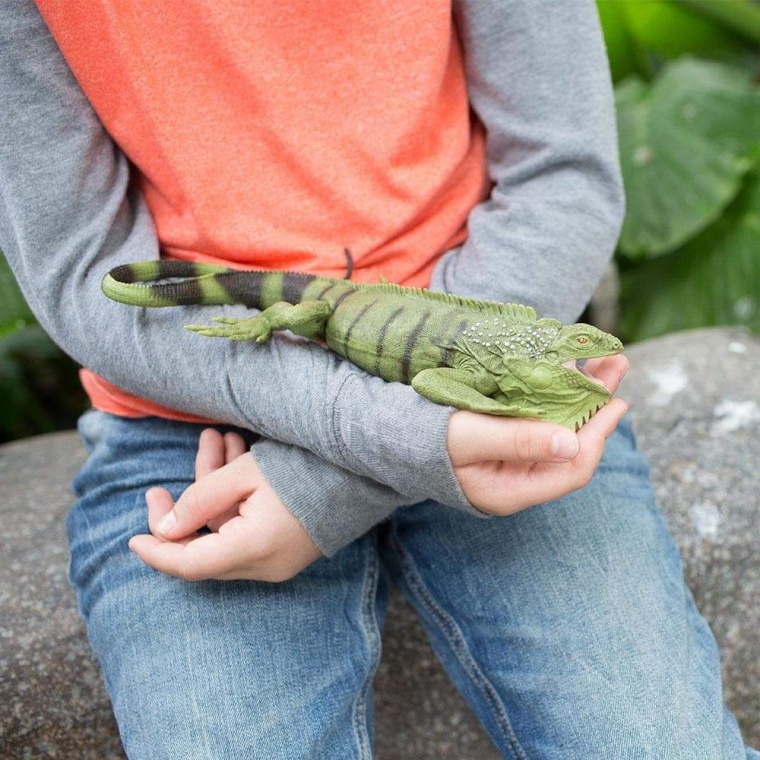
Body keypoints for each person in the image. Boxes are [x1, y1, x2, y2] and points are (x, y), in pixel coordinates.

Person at [1, 1, 756, 757]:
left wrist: (324, 484)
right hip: (197, 417)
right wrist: (395, 443)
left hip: (491, 384)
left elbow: (566, 176)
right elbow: (85, 275)